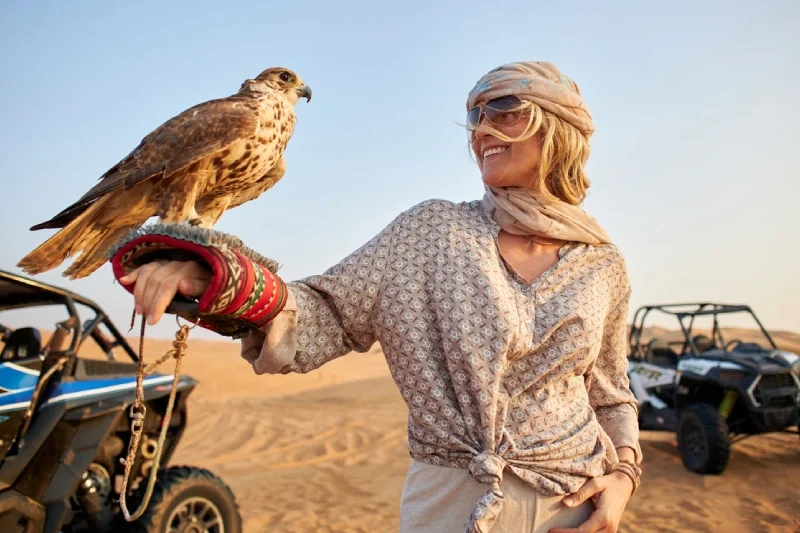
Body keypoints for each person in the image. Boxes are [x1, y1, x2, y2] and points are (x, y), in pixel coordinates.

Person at [114, 61, 642, 533]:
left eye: (504, 110)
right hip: (451, 503)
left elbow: (610, 391)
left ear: (559, 127)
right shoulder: (433, 231)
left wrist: (623, 478)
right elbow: (325, 313)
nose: (482, 129)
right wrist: (222, 279)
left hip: (577, 505)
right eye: (475, 115)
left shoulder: (602, 264)